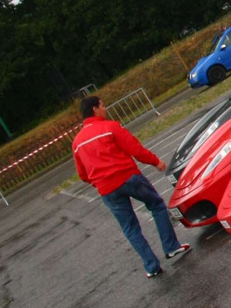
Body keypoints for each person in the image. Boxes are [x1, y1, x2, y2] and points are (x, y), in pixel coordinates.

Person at [71, 96, 190, 278]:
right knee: (157, 205)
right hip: (128, 177)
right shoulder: (110, 127)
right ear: (95, 109)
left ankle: (151, 266)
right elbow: (134, 149)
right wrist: (155, 161)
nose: (105, 108)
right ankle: (171, 246)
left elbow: (82, 174)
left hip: (107, 189)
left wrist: (97, 181)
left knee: (130, 228)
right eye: (102, 105)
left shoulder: (77, 143)